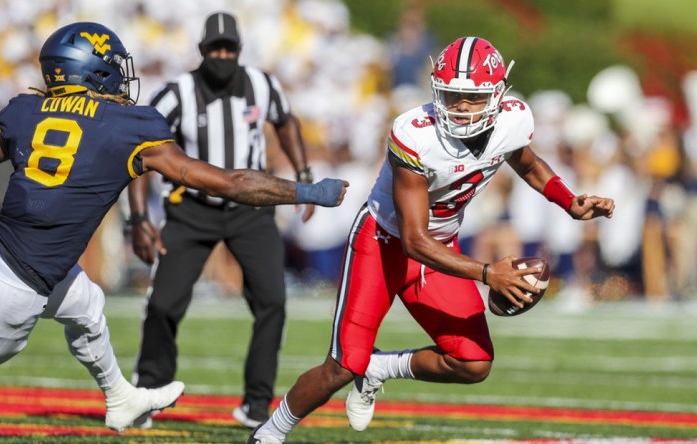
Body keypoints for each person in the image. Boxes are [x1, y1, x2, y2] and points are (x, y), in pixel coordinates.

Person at [0, 21, 347, 434]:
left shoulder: (25, 109)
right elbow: (232, 183)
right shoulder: (126, 125)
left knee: (85, 304)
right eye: (112, 66)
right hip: (11, 291)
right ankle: (121, 396)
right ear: (91, 70)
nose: (122, 77)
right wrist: (307, 191)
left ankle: (120, 398)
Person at [248, 36, 614, 443]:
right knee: (341, 366)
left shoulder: (513, 120)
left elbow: (525, 162)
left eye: (471, 98)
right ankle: (268, 434)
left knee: (473, 361)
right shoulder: (415, 134)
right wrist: (487, 273)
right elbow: (414, 240)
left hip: (440, 246)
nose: (459, 107)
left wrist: (569, 201)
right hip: (383, 244)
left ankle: (381, 368)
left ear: (496, 96)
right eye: (452, 95)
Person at [127, 11, 317, 429]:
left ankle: (256, 402)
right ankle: (148, 392)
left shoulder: (262, 84)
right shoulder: (178, 92)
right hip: (191, 209)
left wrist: (303, 174)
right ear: (202, 51)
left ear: (240, 50)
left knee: (273, 301)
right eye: (216, 49)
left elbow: (287, 121)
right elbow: (140, 152)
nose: (223, 55)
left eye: (230, 48)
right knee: (163, 303)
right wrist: (137, 217)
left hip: (251, 212)